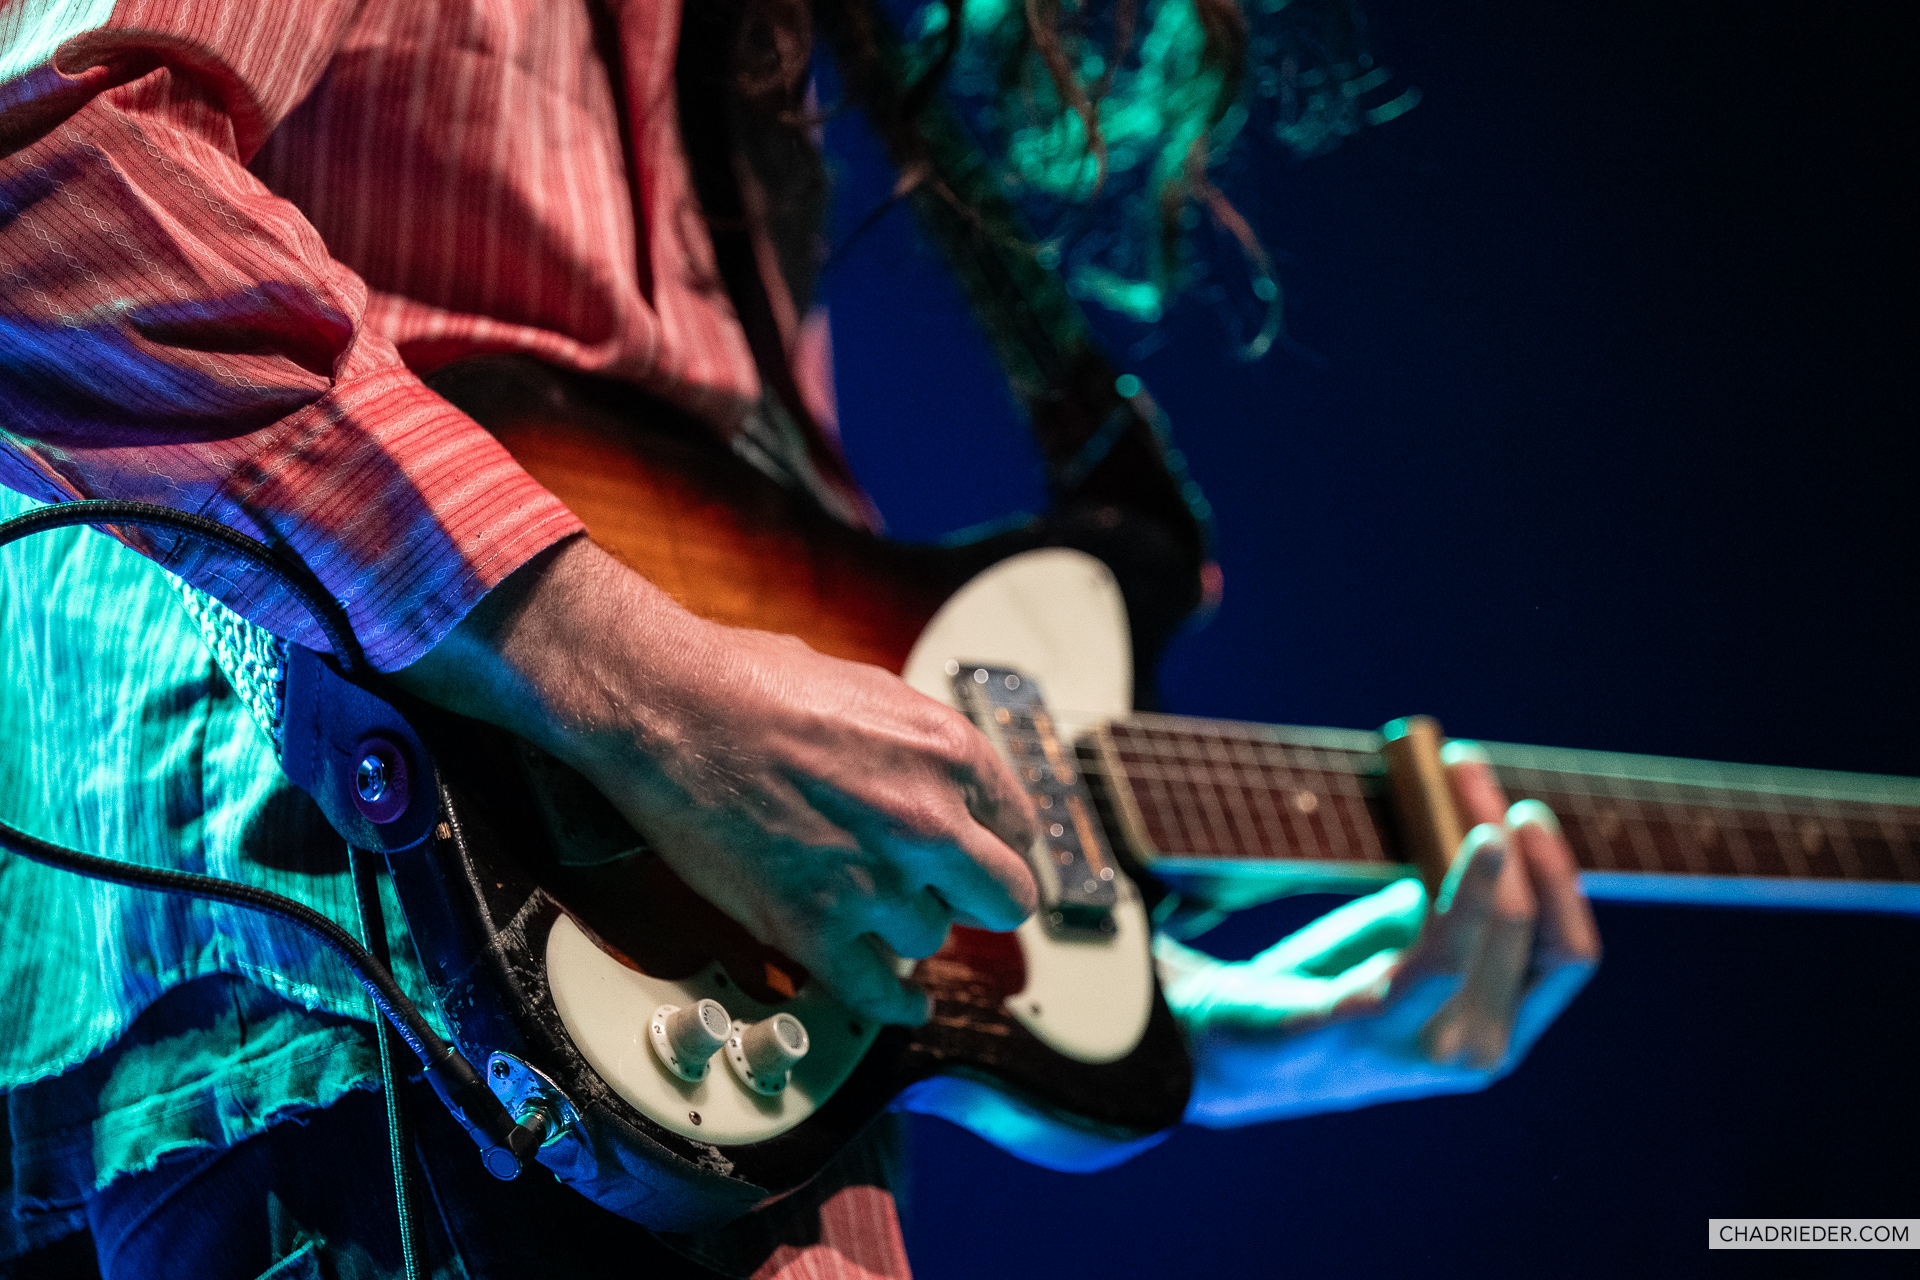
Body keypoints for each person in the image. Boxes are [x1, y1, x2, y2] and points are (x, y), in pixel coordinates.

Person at [0, 1, 1601, 1276]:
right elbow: (53, 160)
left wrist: (1211, 1034)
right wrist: (652, 691)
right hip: (380, 1010)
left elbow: (798, 691)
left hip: (653, 1099)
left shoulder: (761, 63)